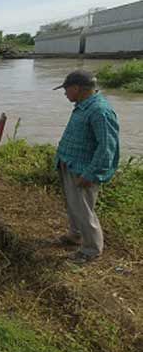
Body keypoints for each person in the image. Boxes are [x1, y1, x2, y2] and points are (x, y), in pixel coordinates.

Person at [53, 70, 120, 264]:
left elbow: (107, 146)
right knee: (73, 206)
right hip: (70, 164)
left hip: (83, 170)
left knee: (83, 210)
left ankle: (91, 250)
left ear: (76, 88)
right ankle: (75, 236)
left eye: (66, 89)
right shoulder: (83, 106)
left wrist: (92, 173)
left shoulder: (100, 111)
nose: (65, 93)